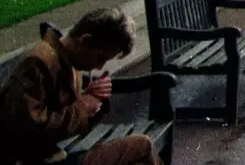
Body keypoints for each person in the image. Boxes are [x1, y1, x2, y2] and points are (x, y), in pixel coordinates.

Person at [0, 8, 164, 165]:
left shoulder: (66, 61)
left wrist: (92, 100)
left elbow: (62, 116)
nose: (100, 67)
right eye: (100, 57)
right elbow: (29, 129)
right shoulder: (38, 63)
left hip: (56, 154)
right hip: (35, 160)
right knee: (143, 146)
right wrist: (83, 107)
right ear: (84, 40)